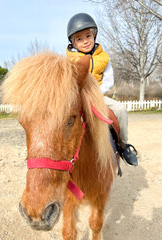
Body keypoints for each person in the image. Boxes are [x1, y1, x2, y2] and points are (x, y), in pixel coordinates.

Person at [66, 13, 138, 166]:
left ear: (94, 35)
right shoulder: (68, 60)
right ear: (73, 42)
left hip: (98, 95)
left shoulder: (104, 57)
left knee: (121, 109)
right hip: (77, 97)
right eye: (79, 39)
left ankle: (123, 146)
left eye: (88, 36)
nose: (85, 41)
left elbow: (109, 80)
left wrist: (96, 93)